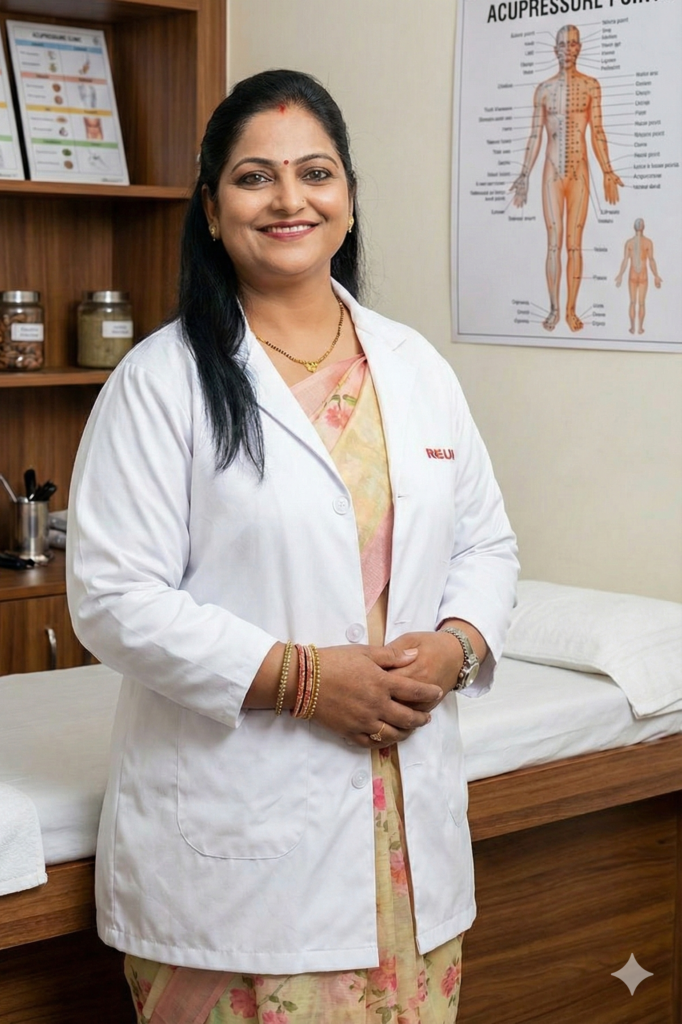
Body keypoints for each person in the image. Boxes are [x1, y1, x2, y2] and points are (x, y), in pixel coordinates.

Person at [67, 69, 518, 1024]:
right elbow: (113, 598)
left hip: (404, 842)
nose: (288, 199)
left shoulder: (415, 368)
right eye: (253, 177)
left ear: (347, 199)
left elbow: (486, 543)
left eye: (314, 172)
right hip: (244, 858)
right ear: (210, 206)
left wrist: (455, 646)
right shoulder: (160, 382)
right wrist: (305, 679)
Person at [509, 25, 623, 333]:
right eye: (562, 44)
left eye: (572, 44)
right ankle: (554, 308)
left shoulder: (590, 86)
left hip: (579, 171)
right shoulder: (544, 90)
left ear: (580, 48)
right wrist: (523, 175)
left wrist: (608, 171)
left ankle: (571, 310)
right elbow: (534, 135)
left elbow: (598, 131)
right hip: (551, 173)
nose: (567, 49)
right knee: (553, 243)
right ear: (555, 49)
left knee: (574, 244)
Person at [614, 218, 662, 335]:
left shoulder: (629, 242)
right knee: (641, 303)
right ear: (643, 227)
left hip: (633, 275)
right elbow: (651, 260)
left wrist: (620, 275)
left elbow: (625, 260)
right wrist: (656, 275)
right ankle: (639, 328)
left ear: (634, 227)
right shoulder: (648, 242)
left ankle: (632, 328)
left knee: (632, 302)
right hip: (643, 275)